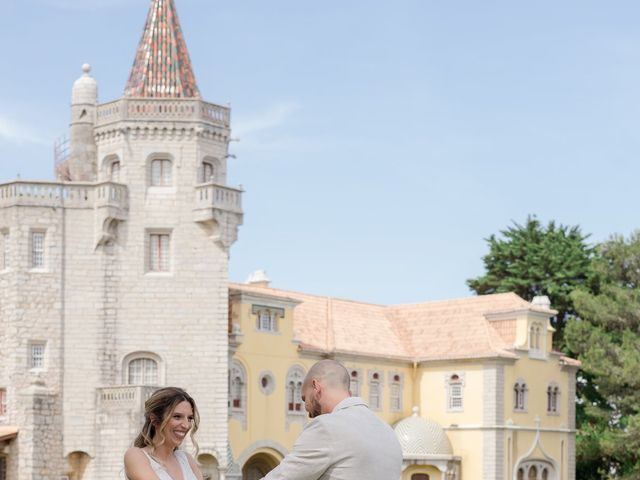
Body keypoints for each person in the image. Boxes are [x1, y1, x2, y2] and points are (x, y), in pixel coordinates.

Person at [262, 360, 403, 480]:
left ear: (316, 387)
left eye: (305, 399)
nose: (307, 411)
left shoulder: (326, 427)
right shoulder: (388, 432)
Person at [124, 387, 204, 480]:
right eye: (177, 417)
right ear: (154, 420)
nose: (186, 425)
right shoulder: (136, 456)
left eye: (190, 418)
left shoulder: (187, 459)